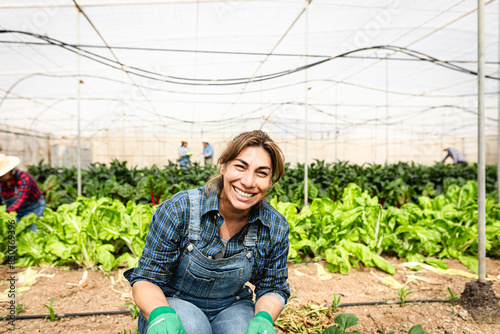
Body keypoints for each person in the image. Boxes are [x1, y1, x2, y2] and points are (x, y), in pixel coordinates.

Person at [124, 130, 290, 334]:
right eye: (240, 167)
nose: (248, 181)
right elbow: (147, 279)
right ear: (223, 166)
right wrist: (160, 314)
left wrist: (264, 317)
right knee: (193, 329)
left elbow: (273, 287)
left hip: (233, 306)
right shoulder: (180, 209)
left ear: (270, 181)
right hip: (174, 301)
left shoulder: (274, 226)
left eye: (261, 173)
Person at [0, 154, 46, 230]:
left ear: (10, 171)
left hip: (34, 209)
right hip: (14, 211)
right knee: (12, 234)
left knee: (32, 233)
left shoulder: (24, 178)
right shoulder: (2, 181)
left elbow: (20, 200)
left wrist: (4, 213)